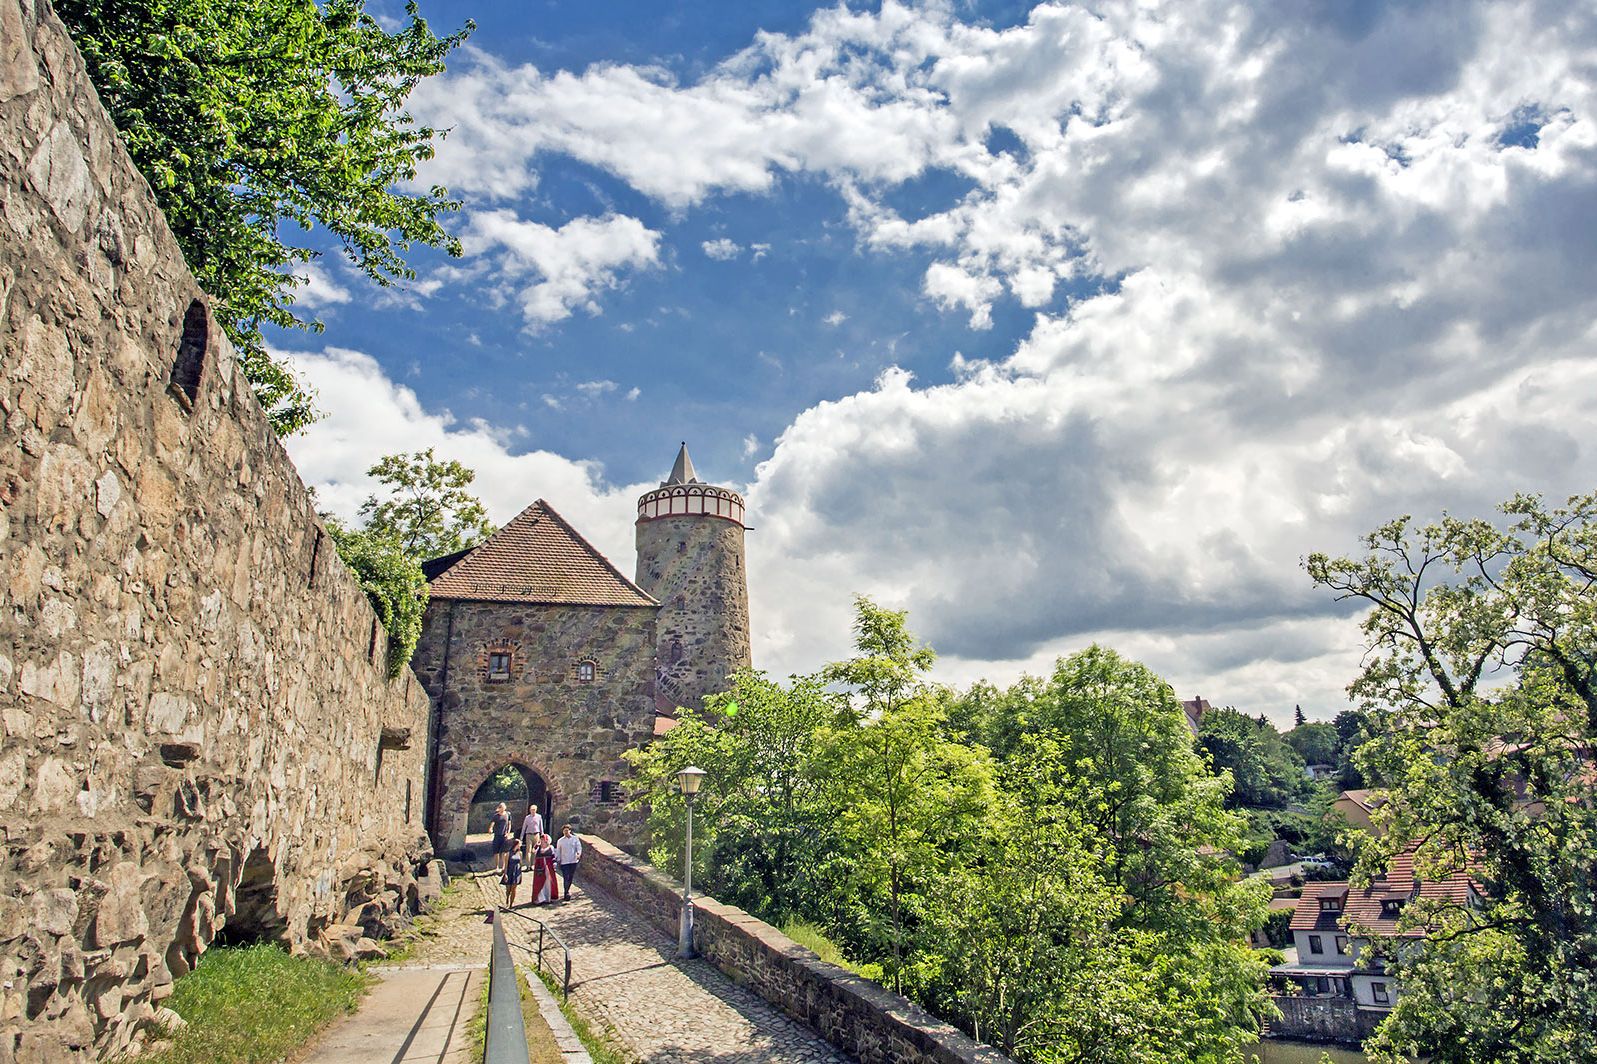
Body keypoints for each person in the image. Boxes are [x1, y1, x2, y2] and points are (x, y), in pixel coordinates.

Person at [529, 833, 561, 905]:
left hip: (548, 868)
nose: (542, 841)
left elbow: (553, 857)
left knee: (548, 883)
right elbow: (533, 851)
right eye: (542, 840)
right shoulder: (538, 848)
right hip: (540, 868)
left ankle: (548, 898)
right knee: (539, 883)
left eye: (544, 840)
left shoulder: (551, 848)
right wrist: (537, 844)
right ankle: (539, 899)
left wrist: (554, 863)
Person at [553, 825, 582, 901]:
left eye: (567, 830)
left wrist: (578, 854)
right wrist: (558, 859)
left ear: (570, 830)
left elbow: (578, 847)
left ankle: (567, 889)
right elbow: (558, 851)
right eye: (564, 831)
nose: (565, 832)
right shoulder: (560, 841)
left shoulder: (575, 839)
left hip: (573, 860)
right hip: (564, 861)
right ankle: (566, 892)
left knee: (570, 877)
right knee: (566, 876)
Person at [490, 801, 511, 874]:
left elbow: (509, 824)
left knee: (504, 852)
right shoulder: (496, 816)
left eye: (503, 807)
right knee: (496, 852)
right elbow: (492, 824)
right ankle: (496, 867)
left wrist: (508, 833)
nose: (502, 809)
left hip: (504, 836)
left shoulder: (508, 814)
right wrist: (490, 829)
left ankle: (504, 867)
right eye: (501, 807)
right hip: (497, 835)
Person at [501, 842, 523, 909]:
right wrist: (505, 874)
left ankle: (511, 904)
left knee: (514, 888)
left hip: (516, 871)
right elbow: (506, 865)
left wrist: (520, 872)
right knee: (508, 889)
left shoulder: (520, 853)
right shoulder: (508, 854)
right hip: (510, 871)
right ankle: (507, 898)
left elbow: (521, 863)